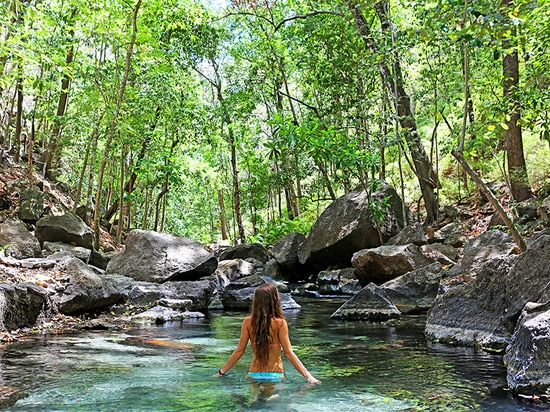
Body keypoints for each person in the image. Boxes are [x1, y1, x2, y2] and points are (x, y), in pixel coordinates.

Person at [214, 283, 321, 385]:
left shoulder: (247, 322)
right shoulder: (280, 323)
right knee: (270, 401)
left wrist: (221, 372)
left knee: (256, 402)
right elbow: (288, 353)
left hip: (254, 374)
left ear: (256, 301)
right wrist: (308, 376)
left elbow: (239, 351)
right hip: (275, 374)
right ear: (275, 300)